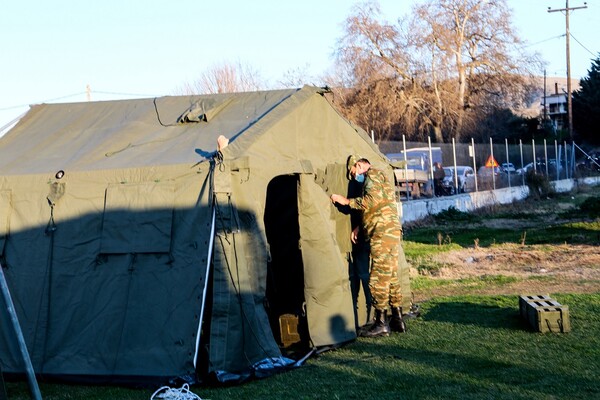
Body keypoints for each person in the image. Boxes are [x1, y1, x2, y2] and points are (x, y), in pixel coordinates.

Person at [330, 155, 407, 337]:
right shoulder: (381, 176)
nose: (354, 176)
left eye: (353, 172)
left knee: (379, 277)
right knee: (391, 275)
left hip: (381, 233)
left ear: (358, 166)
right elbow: (379, 206)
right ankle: (397, 318)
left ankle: (380, 323)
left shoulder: (371, 176)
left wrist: (346, 201)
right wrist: (361, 227)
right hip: (390, 231)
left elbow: (370, 201)